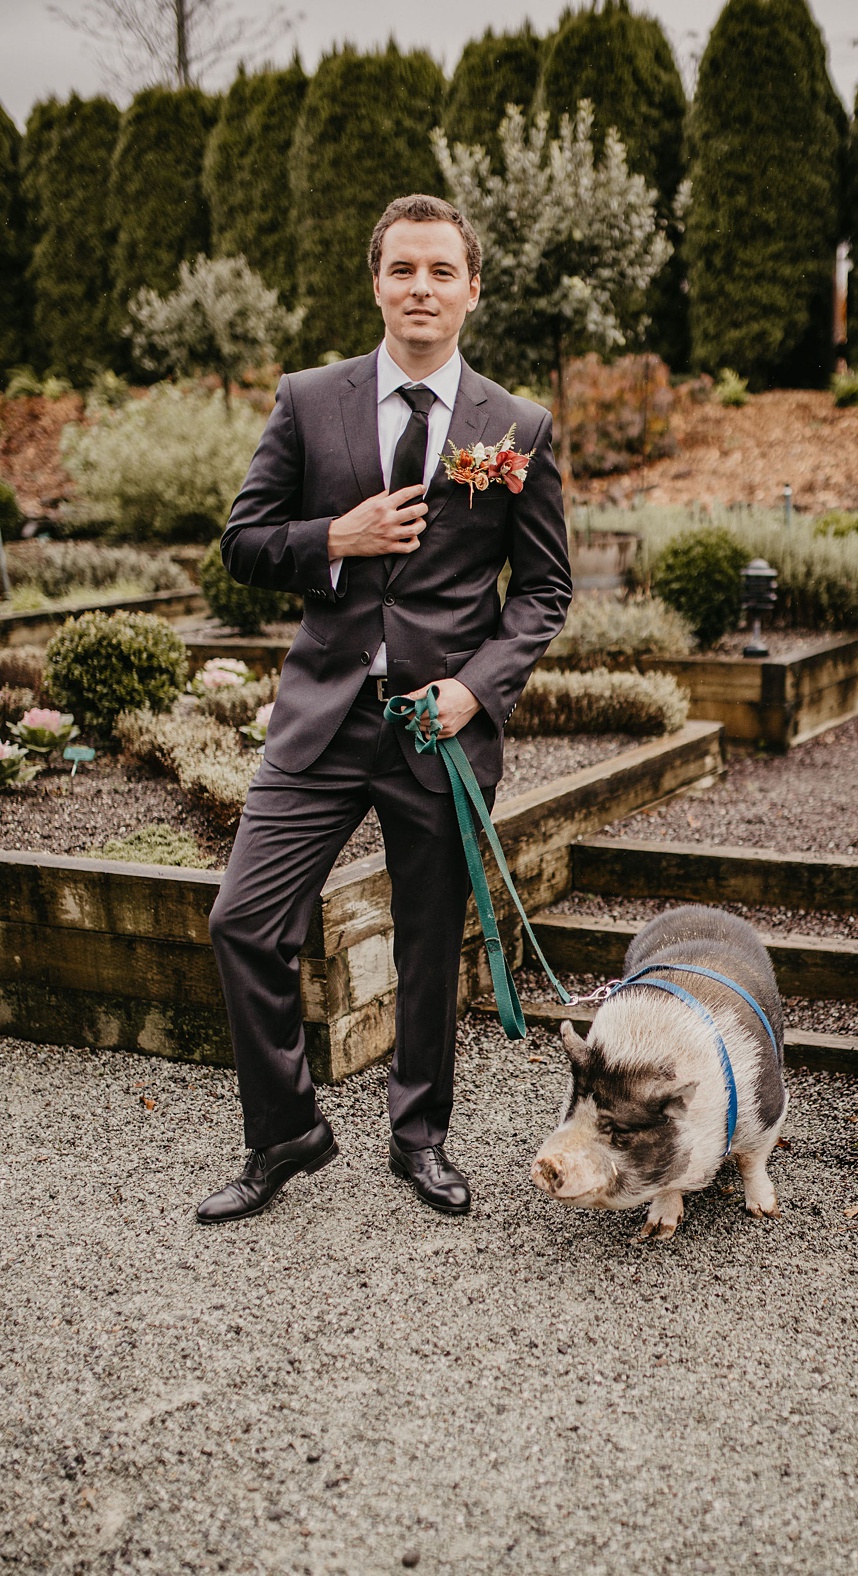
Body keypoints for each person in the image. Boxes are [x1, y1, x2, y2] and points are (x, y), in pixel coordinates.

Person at [196, 194, 572, 1225]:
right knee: (243, 921)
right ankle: (285, 1135)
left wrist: (476, 687)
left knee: (425, 939)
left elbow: (544, 592)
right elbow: (241, 540)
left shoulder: (518, 427)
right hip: (320, 716)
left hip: (436, 732)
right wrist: (335, 534)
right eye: (402, 269)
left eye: (441, 271)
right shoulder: (308, 400)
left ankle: (420, 1137)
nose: (421, 288)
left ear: (472, 289)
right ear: (376, 282)